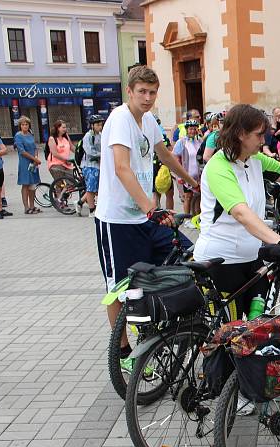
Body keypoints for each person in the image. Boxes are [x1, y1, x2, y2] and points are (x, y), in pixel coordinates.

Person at [94, 66, 200, 360]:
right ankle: (123, 351)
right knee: (117, 287)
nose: (148, 97)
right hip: (117, 219)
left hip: (144, 217)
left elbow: (164, 153)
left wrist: (191, 181)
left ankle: (163, 326)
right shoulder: (119, 119)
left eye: (152, 92)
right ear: (129, 91)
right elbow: (121, 167)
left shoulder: (149, 120)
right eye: (142, 91)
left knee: (186, 255)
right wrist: (151, 208)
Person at [195, 104, 280, 316]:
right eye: (258, 135)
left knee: (256, 331)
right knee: (229, 338)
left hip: (251, 258)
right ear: (240, 134)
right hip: (222, 261)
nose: (264, 140)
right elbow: (241, 213)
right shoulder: (219, 166)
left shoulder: (254, 159)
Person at [173, 120, 203, 216]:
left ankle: (196, 217)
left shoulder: (199, 141)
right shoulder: (181, 142)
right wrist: (180, 175)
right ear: (186, 130)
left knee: (198, 197)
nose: (193, 131)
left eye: (195, 129)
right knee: (188, 197)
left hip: (198, 175)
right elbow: (175, 158)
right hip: (186, 175)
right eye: (190, 129)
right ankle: (186, 218)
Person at [47, 120, 77, 214]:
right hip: (55, 164)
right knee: (60, 184)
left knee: (71, 183)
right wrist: (65, 159)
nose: (65, 129)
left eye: (65, 127)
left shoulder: (66, 137)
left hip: (66, 163)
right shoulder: (52, 139)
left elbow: (72, 147)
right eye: (63, 127)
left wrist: (80, 154)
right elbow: (55, 153)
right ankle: (60, 202)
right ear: (57, 128)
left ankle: (61, 198)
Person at [13, 116, 42, 215]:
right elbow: (22, 151)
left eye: (26, 124)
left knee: (33, 184)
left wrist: (36, 158)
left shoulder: (30, 134)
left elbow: (35, 147)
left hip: (33, 161)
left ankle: (32, 206)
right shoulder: (18, 136)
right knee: (26, 184)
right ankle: (26, 207)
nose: (25, 126)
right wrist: (34, 159)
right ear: (20, 126)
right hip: (25, 162)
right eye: (23, 124)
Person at [80, 115, 104, 218]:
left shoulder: (101, 135)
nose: (100, 127)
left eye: (101, 124)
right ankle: (91, 210)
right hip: (89, 165)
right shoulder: (88, 136)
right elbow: (89, 151)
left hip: (98, 165)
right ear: (92, 125)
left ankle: (79, 203)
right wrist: (101, 154)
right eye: (98, 125)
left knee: (96, 188)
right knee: (91, 189)